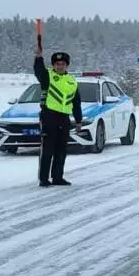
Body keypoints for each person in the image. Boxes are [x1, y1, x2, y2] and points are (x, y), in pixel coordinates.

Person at [33, 45, 83, 187]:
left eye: (62, 64)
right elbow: (38, 71)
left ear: (66, 65)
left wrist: (78, 120)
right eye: (57, 64)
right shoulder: (48, 76)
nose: (60, 66)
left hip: (64, 118)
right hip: (49, 116)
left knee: (61, 149)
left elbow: (76, 101)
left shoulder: (72, 81)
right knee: (48, 148)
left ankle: (57, 177)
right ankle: (44, 178)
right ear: (53, 65)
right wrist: (38, 58)